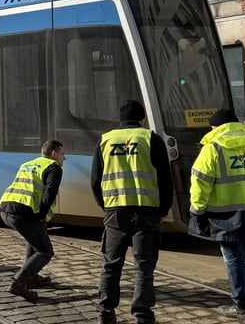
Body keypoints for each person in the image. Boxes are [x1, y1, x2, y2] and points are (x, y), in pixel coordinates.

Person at [91, 100, 173, 324]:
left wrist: (105, 206)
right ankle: (143, 314)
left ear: (120, 118)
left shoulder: (105, 140)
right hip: (147, 211)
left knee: (111, 264)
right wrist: (163, 209)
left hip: (116, 212)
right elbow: (166, 180)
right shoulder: (150, 139)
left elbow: (95, 181)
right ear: (142, 118)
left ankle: (105, 312)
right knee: (144, 265)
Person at [189, 108, 245, 320]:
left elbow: (200, 183)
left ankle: (241, 306)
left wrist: (197, 210)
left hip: (224, 214)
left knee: (233, 258)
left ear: (216, 127)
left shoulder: (212, 149)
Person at [0, 139, 65, 301]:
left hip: (7, 208)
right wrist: (42, 215)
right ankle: (19, 282)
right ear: (54, 154)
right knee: (45, 251)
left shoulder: (29, 163)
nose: (64, 158)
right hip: (23, 212)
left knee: (34, 239)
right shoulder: (53, 168)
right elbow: (49, 193)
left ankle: (32, 277)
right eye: (63, 154)